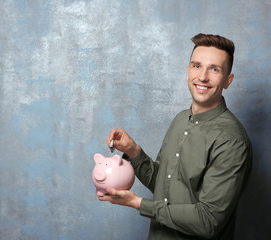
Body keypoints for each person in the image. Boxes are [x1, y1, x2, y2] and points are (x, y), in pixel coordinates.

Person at [97, 33, 253, 240]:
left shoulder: (231, 141)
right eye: (197, 66)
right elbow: (163, 187)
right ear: (188, 72)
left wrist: (137, 203)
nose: (203, 76)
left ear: (228, 80)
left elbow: (208, 221)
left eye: (214, 69)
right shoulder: (181, 120)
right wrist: (133, 151)